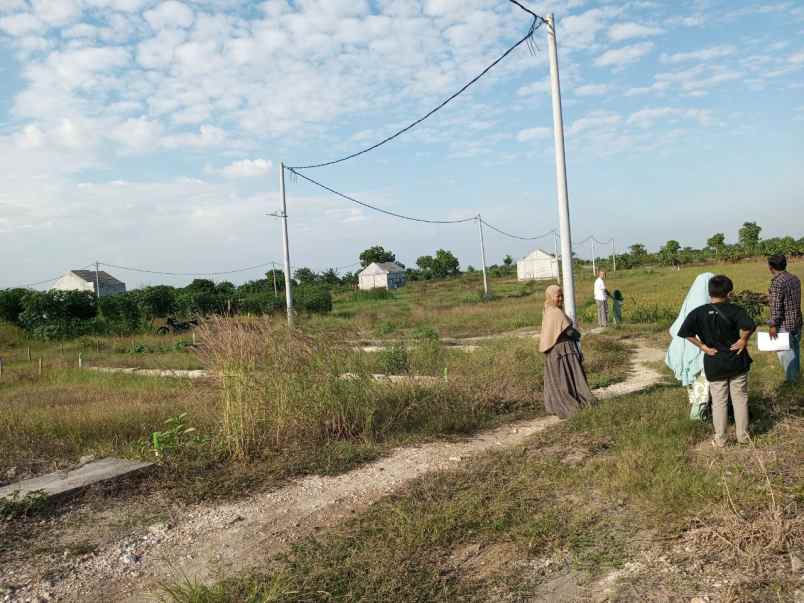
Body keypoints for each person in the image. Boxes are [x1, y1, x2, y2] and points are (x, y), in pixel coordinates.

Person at [678, 275, 756, 447]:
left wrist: (703, 347)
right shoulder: (736, 310)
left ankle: (720, 440)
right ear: (729, 293)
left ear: (709, 292)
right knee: (740, 398)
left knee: (719, 402)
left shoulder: (698, 312)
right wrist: (743, 340)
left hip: (714, 362)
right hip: (736, 360)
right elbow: (750, 325)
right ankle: (743, 437)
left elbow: (685, 332)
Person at [540, 285, 596, 418]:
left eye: (561, 296)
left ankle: (558, 405)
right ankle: (572, 404)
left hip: (556, 352)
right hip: (563, 350)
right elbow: (568, 331)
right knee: (571, 377)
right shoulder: (556, 312)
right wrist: (578, 334)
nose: (560, 299)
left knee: (560, 379)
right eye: (557, 296)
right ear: (550, 297)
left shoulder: (548, 310)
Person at [666, 272, 715, 420]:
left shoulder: (689, 302)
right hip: (701, 350)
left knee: (695, 386)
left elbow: (675, 329)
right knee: (702, 384)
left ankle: (701, 412)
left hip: (684, 350)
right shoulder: (707, 306)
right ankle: (698, 417)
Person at [767, 254, 801, 383]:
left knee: (785, 353)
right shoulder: (794, 278)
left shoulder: (777, 282)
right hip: (797, 321)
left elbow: (776, 308)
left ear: (771, 267)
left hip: (784, 324)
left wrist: (772, 325)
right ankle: (796, 376)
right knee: (795, 350)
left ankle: (791, 381)